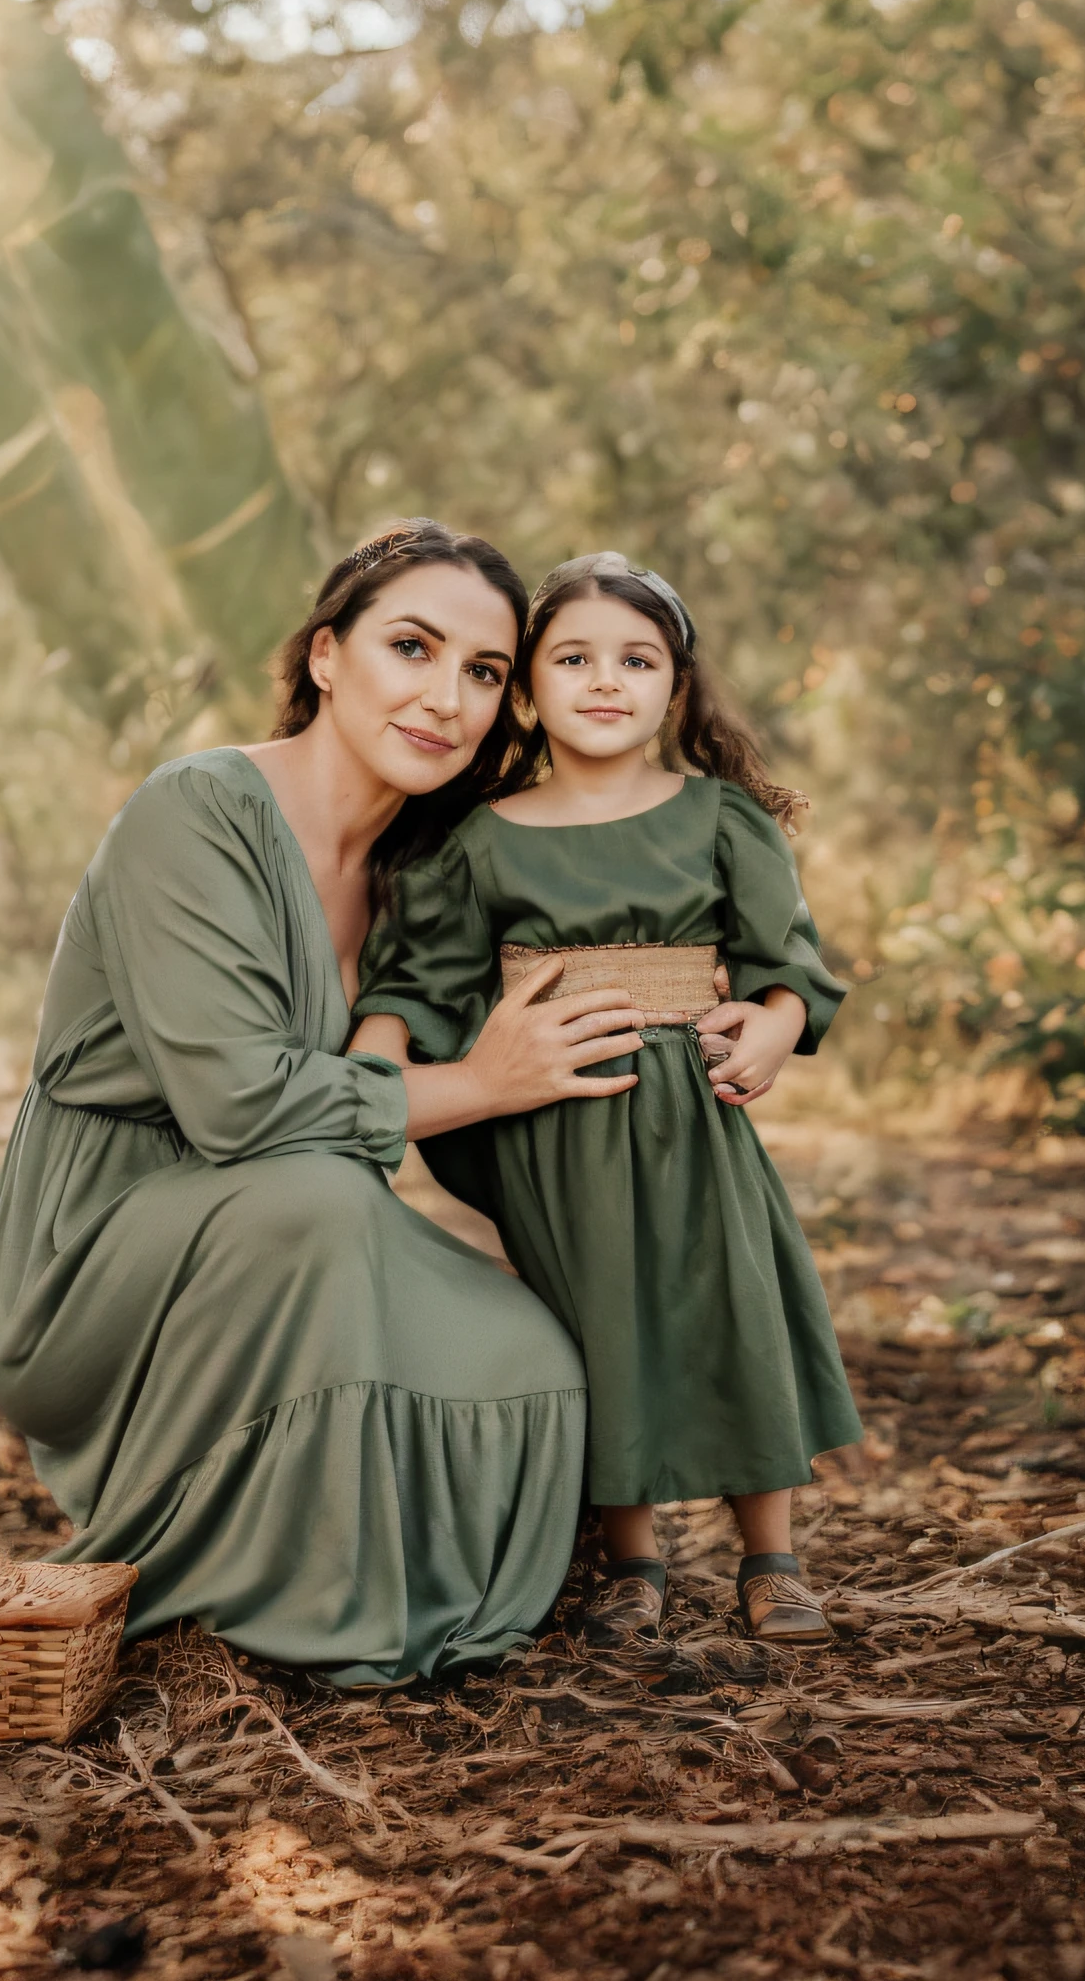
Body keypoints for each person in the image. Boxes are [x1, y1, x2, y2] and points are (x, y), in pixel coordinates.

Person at [0, 521, 662, 1688]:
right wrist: (477, 1081)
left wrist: (763, 1008)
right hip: (93, 1255)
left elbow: (600, 979)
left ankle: (421, 1582)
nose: (445, 696)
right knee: (315, 1203)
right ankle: (281, 1599)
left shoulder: (427, 871)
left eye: (484, 672)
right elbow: (237, 1106)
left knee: (533, 1353)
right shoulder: (192, 813)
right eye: (411, 646)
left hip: (309, 1227)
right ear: (327, 654)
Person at [352, 552, 863, 1655]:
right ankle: (633, 1561)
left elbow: (789, 964)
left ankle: (769, 1555)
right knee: (596, 1320)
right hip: (557, 1120)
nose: (603, 680)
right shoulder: (479, 839)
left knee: (727, 1300)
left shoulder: (721, 820)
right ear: (526, 690)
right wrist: (373, 1062)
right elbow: (422, 978)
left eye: (635, 660)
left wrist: (773, 1024)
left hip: (689, 1109)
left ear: (673, 688)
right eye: (571, 657)